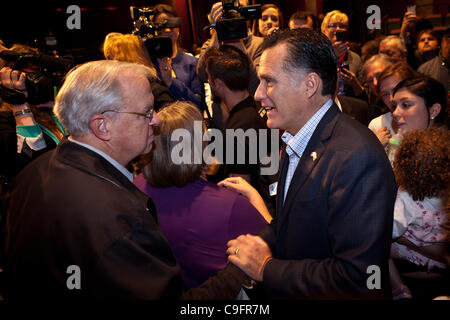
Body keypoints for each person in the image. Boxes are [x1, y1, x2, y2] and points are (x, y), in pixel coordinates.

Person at [2, 60, 246, 299]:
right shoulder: (118, 217)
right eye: (146, 112)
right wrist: (238, 272)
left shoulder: (32, 172)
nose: (157, 120)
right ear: (102, 126)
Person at [222, 29, 397, 299]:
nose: (258, 94)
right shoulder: (297, 139)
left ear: (310, 85)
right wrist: (260, 242)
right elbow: (293, 221)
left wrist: (266, 269)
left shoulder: (357, 157)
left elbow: (360, 278)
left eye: (269, 82)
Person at [134, 101, 269, 289]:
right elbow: (274, 253)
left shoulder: (135, 187)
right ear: (201, 146)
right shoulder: (232, 208)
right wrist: (256, 199)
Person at [204, 44, 278, 216]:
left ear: (218, 83)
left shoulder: (237, 130)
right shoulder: (258, 110)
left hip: (258, 218)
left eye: (208, 78)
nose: (208, 83)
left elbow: (240, 194)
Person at [389, 127, 450, 299]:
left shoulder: (407, 198)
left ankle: (398, 289)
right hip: (440, 258)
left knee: (377, 251)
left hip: (416, 255)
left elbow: (393, 230)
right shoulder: (445, 192)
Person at [152, 4, 206, 111]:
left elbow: (199, 105)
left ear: (178, 29)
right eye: (161, 26)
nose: (167, 30)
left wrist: (172, 82)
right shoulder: (148, 64)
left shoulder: (192, 63)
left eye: (171, 25)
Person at [102, 32, 175, 111]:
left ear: (125, 59)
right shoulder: (115, 92)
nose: (107, 64)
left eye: (110, 58)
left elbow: (172, 122)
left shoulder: (157, 93)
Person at [368, 62, 417, 154]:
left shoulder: (422, 118)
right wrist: (376, 147)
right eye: (385, 94)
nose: (391, 99)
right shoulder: (378, 125)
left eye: (396, 90)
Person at [321, 10, 363, 98]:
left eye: (342, 26)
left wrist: (354, 83)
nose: (338, 29)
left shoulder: (355, 58)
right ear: (324, 30)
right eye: (333, 25)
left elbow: (364, 94)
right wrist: (333, 55)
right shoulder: (318, 55)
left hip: (350, 105)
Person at [418, 30, 449, 96]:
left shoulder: (445, 62)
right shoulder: (420, 68)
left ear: (439, 45)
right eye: (422, 40)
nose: (426, 42)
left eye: (430, 39)